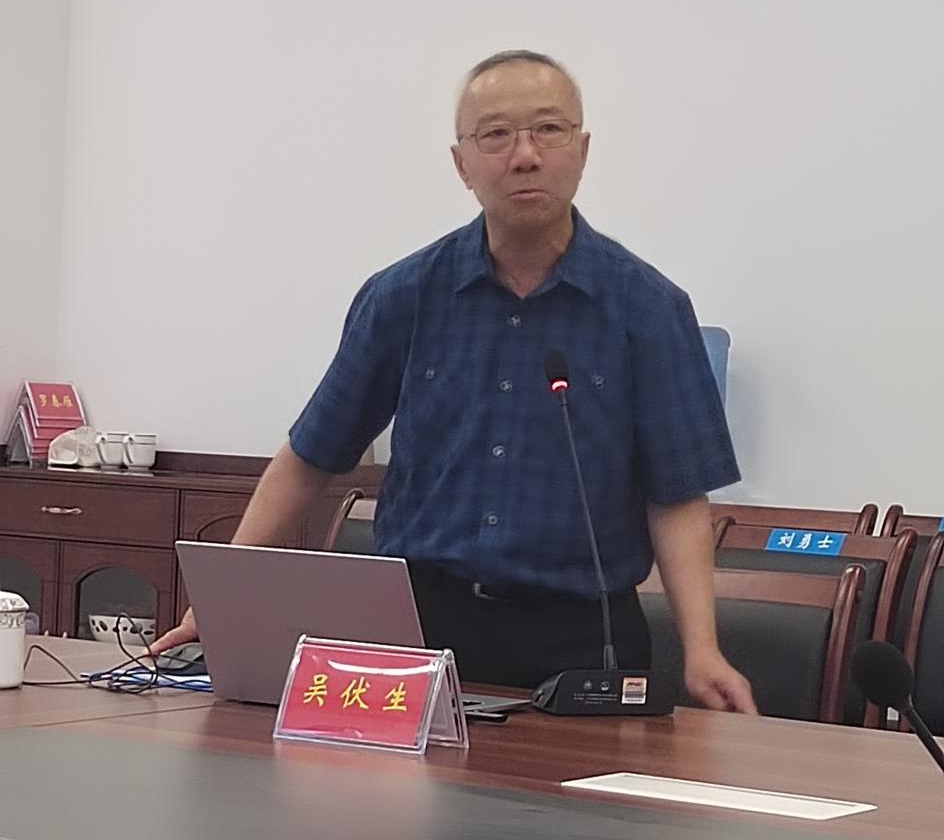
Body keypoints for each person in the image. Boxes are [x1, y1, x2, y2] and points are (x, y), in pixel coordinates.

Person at [152, 50, 756, 713]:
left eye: (548, 130)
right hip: (415, 624)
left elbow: (677, 494)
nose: (525, 155)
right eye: (495, 134)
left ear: (583, 150)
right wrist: (221, 603)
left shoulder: (649, 308)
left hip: (584, 638)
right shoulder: (403, 296)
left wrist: (702, 647)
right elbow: (311, 456)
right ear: (461, 163)